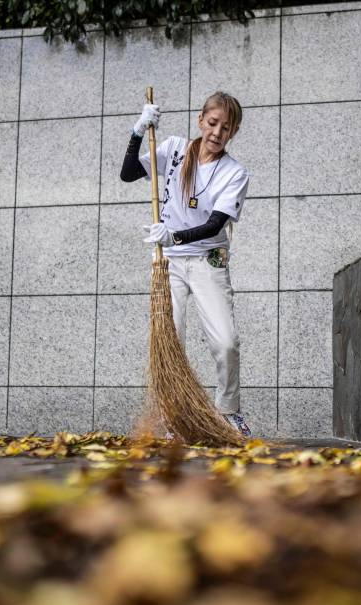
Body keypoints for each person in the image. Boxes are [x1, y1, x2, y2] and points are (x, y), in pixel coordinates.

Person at [120, 91, 252, 437]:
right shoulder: (176, 149)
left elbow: (214, 225)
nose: (217, 132)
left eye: (226, 128)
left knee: (225, 342)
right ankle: (167, 417)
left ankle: (229, 412)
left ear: (232, 133)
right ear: (200, 119)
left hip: (208, 260)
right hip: (168, 265)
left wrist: (173, 237)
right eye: (212, 123)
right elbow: (128, 173)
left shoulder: (234, 173)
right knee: (168, 338)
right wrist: (138, 131)